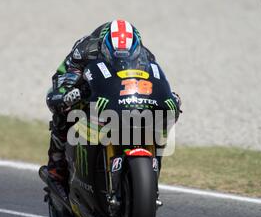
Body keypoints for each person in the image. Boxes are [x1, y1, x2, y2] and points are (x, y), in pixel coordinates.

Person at [39, 19, 181, 195]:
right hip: (87, 91)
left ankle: (151, 180)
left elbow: (155, 81)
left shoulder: (146, 56)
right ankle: (56, 171)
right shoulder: (85, 50)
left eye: (128, 53)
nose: (122, 57)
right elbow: (62, 79)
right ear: (104, 47)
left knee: (156, 121)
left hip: (120, 99)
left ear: (136, 48)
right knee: (63, 110)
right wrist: (69, 93)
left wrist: (167, 98)